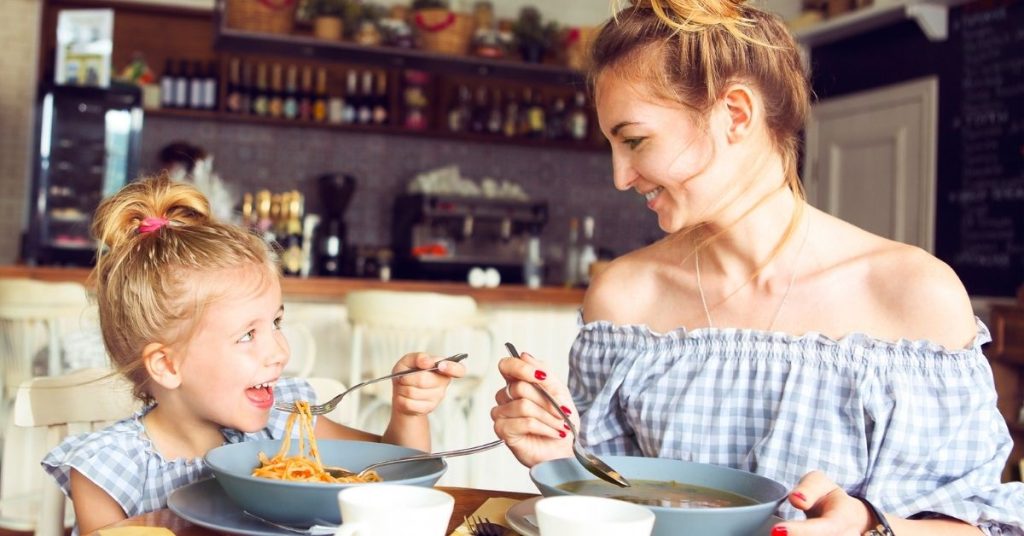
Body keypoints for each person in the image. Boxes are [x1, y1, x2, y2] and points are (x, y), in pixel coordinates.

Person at [490, 1, 1024, 535]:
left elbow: (981, 526)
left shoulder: (915, 296)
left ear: (736, 114)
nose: (620, 177)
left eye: (634, 140)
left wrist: (867, 526)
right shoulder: (623, 301)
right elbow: (620, 510)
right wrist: (560, 459)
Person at [42, 175, 466, 534]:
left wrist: (409, 413)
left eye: (276, 323)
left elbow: (397, 475)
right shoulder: (107, 470)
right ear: (168, 365)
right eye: (247, 334)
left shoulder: (285, 426)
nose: (279, 352)